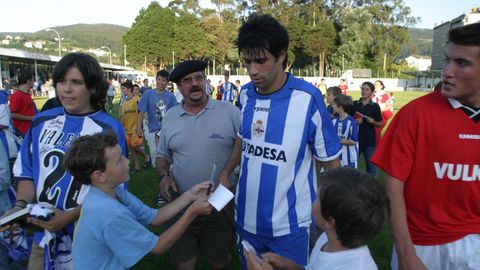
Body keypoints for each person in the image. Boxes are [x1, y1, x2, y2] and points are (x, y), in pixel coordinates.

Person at [221, 14, 341, 269]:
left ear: (282, 55)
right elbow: (242, 141)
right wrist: (225, 173)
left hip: (291, 227)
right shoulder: (245, 95)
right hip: (246, 221)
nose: (252, 70)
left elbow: (332, 163)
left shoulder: (308, 98)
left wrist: (334, 214)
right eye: (247, 61)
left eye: (261, 61)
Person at [371, 23, 480, 270]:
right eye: (447, 60)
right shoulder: (416, 114)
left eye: (461, 63)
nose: (447, 71)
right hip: (423, 245)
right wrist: (406, 253)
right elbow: (392, 184)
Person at [9, 53, 127, 269]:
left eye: (76, 82)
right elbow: (27, 173)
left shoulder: (108, 128)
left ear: (92, 87)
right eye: (62, 81)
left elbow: (114, 191)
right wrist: (19, 206)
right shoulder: (41, 121)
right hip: (43, 237)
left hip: (89, 239)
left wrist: (69, 216)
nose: (66, 89)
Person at [64, 132, 212, 269]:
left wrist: (190, 196)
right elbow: (158, 246)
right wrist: (192, 212)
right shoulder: (109, 213)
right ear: (99, 176)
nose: (127, 161)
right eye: (119, 160)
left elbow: (155, 217)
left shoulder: (111, 191)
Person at [157, 60, 240, 270]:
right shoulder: (170, 117)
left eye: (199, 78)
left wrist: (228, 171)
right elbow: (162, 156)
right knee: (184, 263)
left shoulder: (229, 111)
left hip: (220, 201)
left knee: (219, 260)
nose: (195, 84)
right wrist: (164, 175)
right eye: (187, 80)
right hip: (181, 201)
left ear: (206, 81)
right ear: (178, 87)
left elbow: (245, 148)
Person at [245, 167, 390, 270]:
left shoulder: (356, 266)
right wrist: (289, 265)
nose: (312, 201)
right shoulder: (329, 239)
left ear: (330, 221)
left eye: (318, 199)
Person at [136, 70, 177, 168]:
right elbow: (141, 111)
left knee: (168, 157)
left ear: (167, 82)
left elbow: (174, 115)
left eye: (163, 80)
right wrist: (139, 127)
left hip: (166, 131)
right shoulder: (148, 94)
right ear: (155, 80)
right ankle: (162, 178)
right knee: (156, 158)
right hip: (152, 130)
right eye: (159, 79)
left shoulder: (171, 97)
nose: (161, 82)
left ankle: (169, 177)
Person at [352, 82, 382, 176]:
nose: (364, 91)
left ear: (372, 92)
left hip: (369, 141)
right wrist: (355, 121)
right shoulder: (355, 104)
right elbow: (347, 119)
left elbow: (380, 124)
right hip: (355, 140)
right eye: (362, 89)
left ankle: (372, 188)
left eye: (367, 89)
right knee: (351, 167)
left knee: (371, 169)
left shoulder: (375, 106)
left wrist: (373, 122)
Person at [120, 81, 150, 173]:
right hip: (127, 128)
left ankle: (146, 156)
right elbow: (123, 115)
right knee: (132, 148)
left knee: (135, 145)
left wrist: (141, 125)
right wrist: (121, 126)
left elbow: (142, 111)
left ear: (129, 89)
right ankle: (137, 167)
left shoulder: (137, 99)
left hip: (135, 127)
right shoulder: (124, 102)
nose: (122, 91)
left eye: (123, 89)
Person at [331, 94, 359, 168]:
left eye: (334, 105)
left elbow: (353, 141)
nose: (332, 106)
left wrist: (337, 140)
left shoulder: (352, 122)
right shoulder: (334, 121)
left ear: (340, 107)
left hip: (349, 159)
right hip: (337, 157)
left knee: (348, 179)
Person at [10, 68, 37, 137]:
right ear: (29, 81)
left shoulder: (27, 95)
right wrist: (30, 118)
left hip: (30, 132)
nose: (34, 82)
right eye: (33, 79)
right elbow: (12, 114)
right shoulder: (16, 96)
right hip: (22, 135)